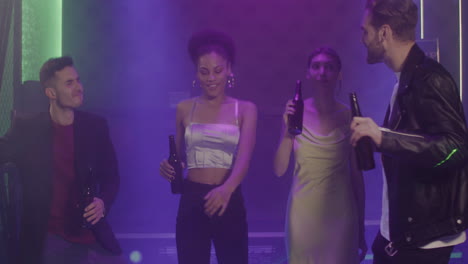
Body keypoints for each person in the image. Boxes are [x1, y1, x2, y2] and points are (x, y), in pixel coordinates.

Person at [351, 0, 468, 263]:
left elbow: (456, 147)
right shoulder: (406, 79)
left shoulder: (430, 79)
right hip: (402, 233)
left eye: (365, 31)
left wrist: (384, 138)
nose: (362, 39)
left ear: (384, 33)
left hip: (425, 239)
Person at [0, 56, 126, 264]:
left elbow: (112, 177)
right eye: (69, 83)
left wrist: (102, 201)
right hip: (48, 237)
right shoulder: (27, 128)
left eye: (78, 80)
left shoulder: (95, 126)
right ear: (50, 92)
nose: (79, 87)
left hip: (90, 232)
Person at [159, 30, 257, 264]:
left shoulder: (245, 109)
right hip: (193, 198)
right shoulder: (184, 108)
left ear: (229, 69)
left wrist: (226, 190)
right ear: (196, 73)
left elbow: (244, 159)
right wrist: (168, 166)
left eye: (217, 70)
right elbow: (179, 157)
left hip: (229, 195)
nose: (211, 78)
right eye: (204, 72)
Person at [273, 47, 367, 264]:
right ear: (308, 73)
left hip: (341, 213)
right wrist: (287, 130)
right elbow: (278, 170)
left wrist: (361, 226)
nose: (322, 72)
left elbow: (357, 177)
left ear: (339, 74)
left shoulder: (349, 116)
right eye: (316, 67)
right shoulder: (295, 114)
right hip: (303, 213)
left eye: (329, 67)